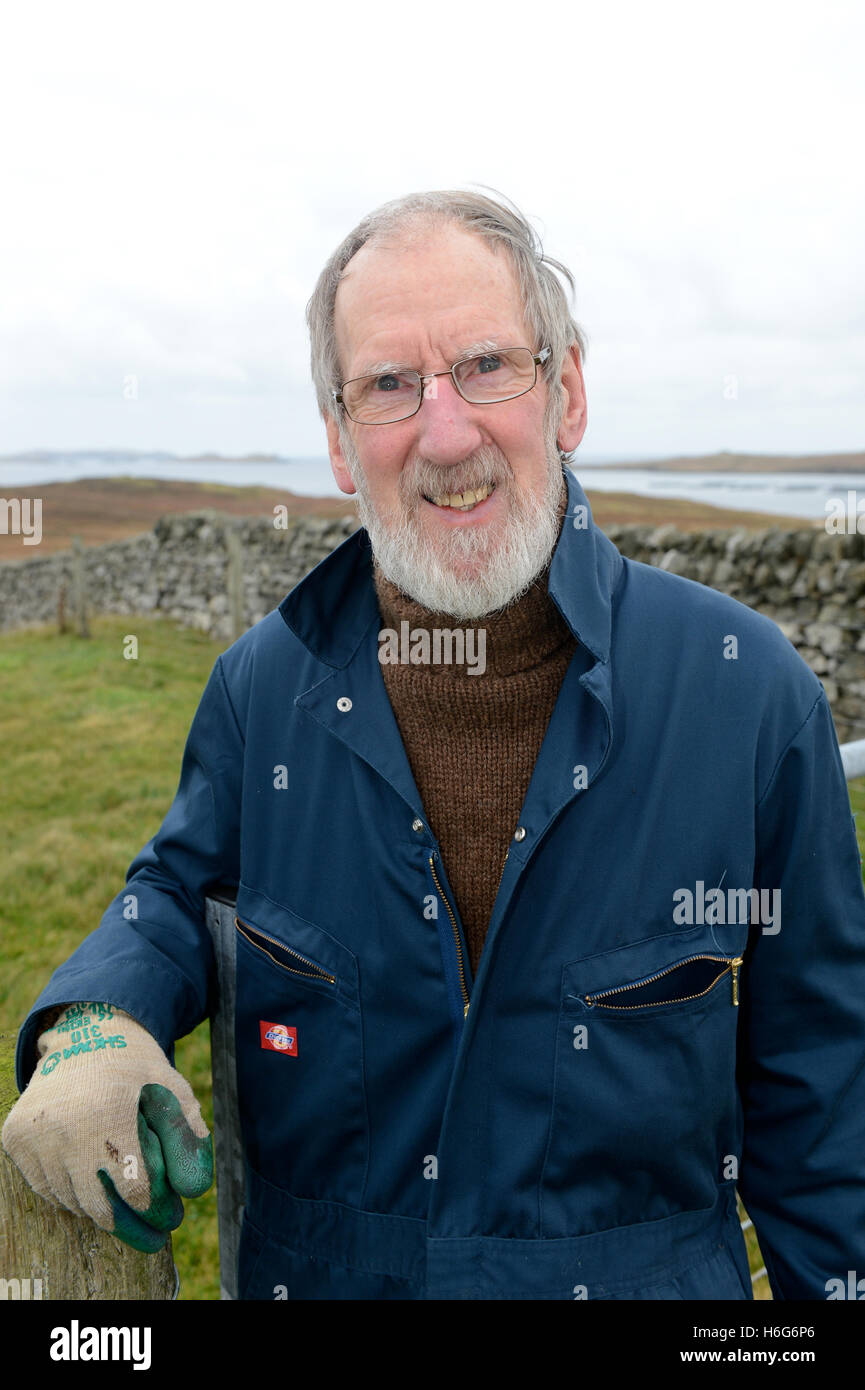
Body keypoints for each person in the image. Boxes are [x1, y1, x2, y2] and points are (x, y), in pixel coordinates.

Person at [4, 190, 865, 1301]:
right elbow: (179, 890)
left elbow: (824, 1101)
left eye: (487, 364)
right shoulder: (262, 687)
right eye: (391, 385)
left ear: (568, 392)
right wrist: (96, 1012)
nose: (446, 431)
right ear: (336, 438)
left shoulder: (746, 699)